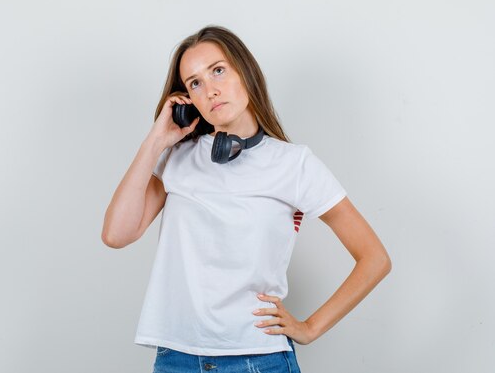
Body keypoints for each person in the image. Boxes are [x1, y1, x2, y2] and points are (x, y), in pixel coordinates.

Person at [101, 25, 391, 373]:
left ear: (246, 72)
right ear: (186, 99)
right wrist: (155, 141)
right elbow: (117, 234)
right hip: (176, 357)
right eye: (195, 83)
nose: (210, 90)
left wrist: (310, 328)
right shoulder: (177, 158)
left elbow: (374, 258)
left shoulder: (294, 164)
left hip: (258, 359)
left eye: (218, 70)